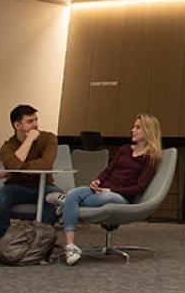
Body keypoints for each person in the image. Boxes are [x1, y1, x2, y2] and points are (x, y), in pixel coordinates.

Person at [50, 114, 162, 266]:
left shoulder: (151, 158)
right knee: (76, 192)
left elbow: (139, 187)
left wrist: (110, 189)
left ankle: (67, 202)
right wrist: (98, 181)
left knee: (102, 198)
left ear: (148, 131)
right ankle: (70, 246)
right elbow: (108, 170)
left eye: (137, 127)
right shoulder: (124, 150)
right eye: (133, 126)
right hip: (103, 189)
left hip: (121, 196)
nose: (132, 130)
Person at [0, 104, 63, 238]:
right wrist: (29, 139)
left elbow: (46, 164)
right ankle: (3, 242)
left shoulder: (49, 138)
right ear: (17, 126)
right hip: (16, 187)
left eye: (36, 120)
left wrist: (16, 168)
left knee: (56, 200)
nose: (35, 125)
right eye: (30, 122)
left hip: (44, 186)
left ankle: (41, 242)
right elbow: (12, 164)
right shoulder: (7, 146)